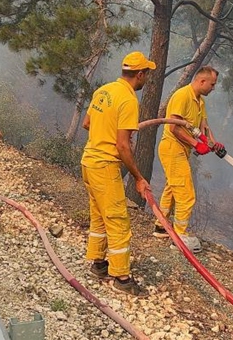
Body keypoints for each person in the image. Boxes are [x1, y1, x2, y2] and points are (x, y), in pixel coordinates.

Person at [80, 51, 154, 297]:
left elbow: (87, 124)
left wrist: (106, 130)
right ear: (139, 74)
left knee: (99, 215)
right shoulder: (129, 100)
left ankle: (99, 264)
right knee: (118, 220)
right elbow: (123, 145)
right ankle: (122, 277)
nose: (146, 80)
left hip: (88, 161)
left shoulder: (103, 90)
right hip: (104, 165)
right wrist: (138, 177)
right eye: (146, 75)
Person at [152, 66, 224, 253]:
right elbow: (174, 127)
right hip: (171, 148)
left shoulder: (199, 101)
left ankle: (161, 227)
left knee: (172, 187)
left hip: (181, 150)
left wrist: (214, 143)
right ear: (202, 81)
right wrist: (195, 143)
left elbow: (204, 127)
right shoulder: (182, 96)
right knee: (186, 193)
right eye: (212, 84)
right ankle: (180, 235)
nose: (213, 88)